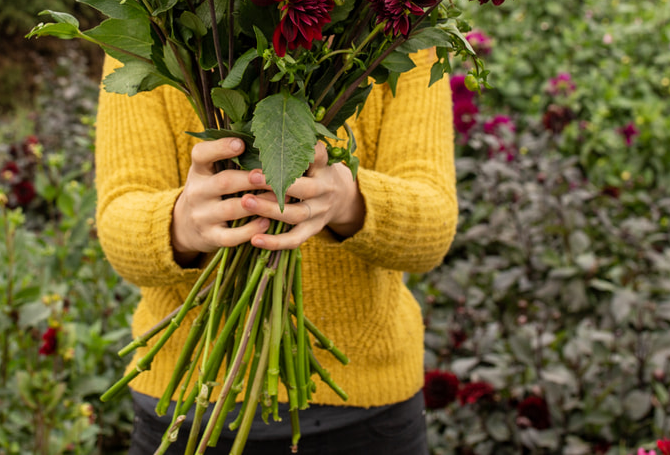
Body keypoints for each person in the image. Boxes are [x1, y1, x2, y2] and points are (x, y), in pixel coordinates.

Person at [95, 47, 456, 455]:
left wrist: (348, 201)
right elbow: (117, 222)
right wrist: (182, 224)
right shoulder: (154, 32)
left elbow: (434, 226)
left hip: (367, 410)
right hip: (187, 401)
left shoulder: (401, 28)